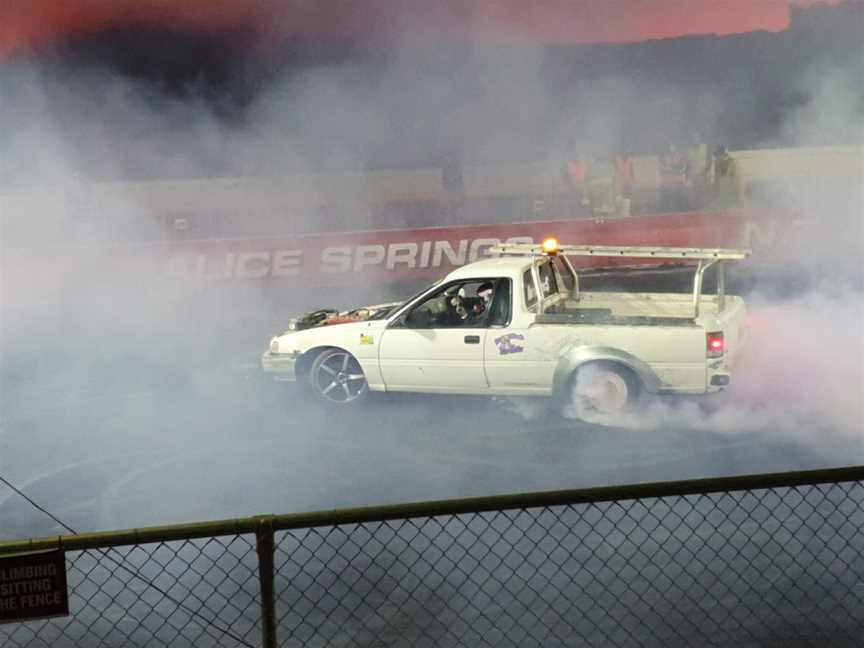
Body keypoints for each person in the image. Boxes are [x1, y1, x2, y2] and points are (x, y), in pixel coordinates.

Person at [658, 144, 688, 212]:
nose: (672, 154)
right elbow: (661, 167)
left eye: (673, 152)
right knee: (665, 199)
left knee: (680, 198)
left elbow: (684, 168)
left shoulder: (680, 158)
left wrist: (675, 170)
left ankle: (681, 210)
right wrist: (670, 169)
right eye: (670, 152)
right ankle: (664, 210)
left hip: (678, 181)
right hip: (667, 182)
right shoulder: (664, 158)